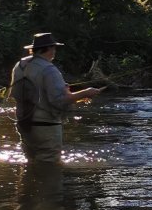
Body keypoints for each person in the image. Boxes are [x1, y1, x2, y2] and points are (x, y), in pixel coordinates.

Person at [8, 32, 104, 163]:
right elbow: (59, 101)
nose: (55, 51)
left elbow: (16, 93)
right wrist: (86, 93)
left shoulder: (19, 65)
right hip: (45, 127)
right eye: (54, 48)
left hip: (23, 124)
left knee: (31, 163)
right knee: (49, 166)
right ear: (49, 48)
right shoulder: (49, 69)